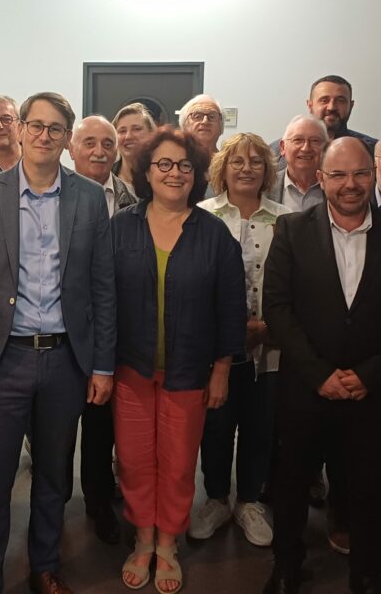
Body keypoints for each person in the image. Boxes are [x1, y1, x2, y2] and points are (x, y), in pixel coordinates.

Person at [0, 92, 116, 594]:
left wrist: (102, 365)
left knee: (54, 477)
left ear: (67, 139)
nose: (44, 135)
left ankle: (44, 565)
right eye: (36, 125)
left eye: (55, 128)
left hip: (66, 361)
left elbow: (103, 288)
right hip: (2, 362)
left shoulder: (89, 198)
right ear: (20, 129)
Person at [261, 137, 381, 594]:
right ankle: (286, 567)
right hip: (305, 387)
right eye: (338, 175)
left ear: (372, 176)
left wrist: (371, 373)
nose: (350, 184)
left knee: (370, 485)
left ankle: (366, 571)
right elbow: (276, 308)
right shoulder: (291, 230)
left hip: (371, 390)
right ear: (321, 179)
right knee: (293, 483)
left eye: (359, 173)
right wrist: (319, 374)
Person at [111, 126, 247, 594]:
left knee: (177, 462)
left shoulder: (214, 234)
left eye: (184, 165)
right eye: (164, 164)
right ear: (147, 172)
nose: (174, 173)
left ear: (196, 173)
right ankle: (143, 538)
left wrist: (222, 368)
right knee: (134, 461)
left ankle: (168, 542)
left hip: (189, 372)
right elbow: (103, 300)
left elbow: (231, 307)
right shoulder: (121, 227)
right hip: (130, 369)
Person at [190, 133, 291, 547]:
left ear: (268, 170)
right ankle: (216, 498)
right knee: (215, 426)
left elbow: (298, 285)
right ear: (222, 169)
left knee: (259, 426)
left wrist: (268, 327)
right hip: (215, 349)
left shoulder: (287, 220)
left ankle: (249, 500)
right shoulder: (202, 216)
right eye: (237, 161)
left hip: (270, 346)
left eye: (256, 161)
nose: (247, 168)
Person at [67, 115, 136, 545]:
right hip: (61, 330)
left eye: (107, 143)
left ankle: (97, 501)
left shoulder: (134, 202)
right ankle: (52, 500)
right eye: (89, 142)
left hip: (112, 331)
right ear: (71, 148)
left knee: (100, 425)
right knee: (55, 429)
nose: (99, 150)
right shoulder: (52, 193)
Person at [269, 76, 378, 168]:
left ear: (351, 105)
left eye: (340, 101)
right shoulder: (275, 153)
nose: (331, 107)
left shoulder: (372, 150)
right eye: (324, 100)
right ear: (310, 105)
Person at [265, 115, 328, 212]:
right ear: (282, 147)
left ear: (326, 148)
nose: (306, 148)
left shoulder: (336, 186)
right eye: (298, 140)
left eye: (315, 141)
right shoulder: (265, 187)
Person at [112, 102, 157, 193]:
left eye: (136, 129)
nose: (128, 136)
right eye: (122, 131)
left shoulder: (161, 176)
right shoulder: (105, 176)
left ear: (151, 134)